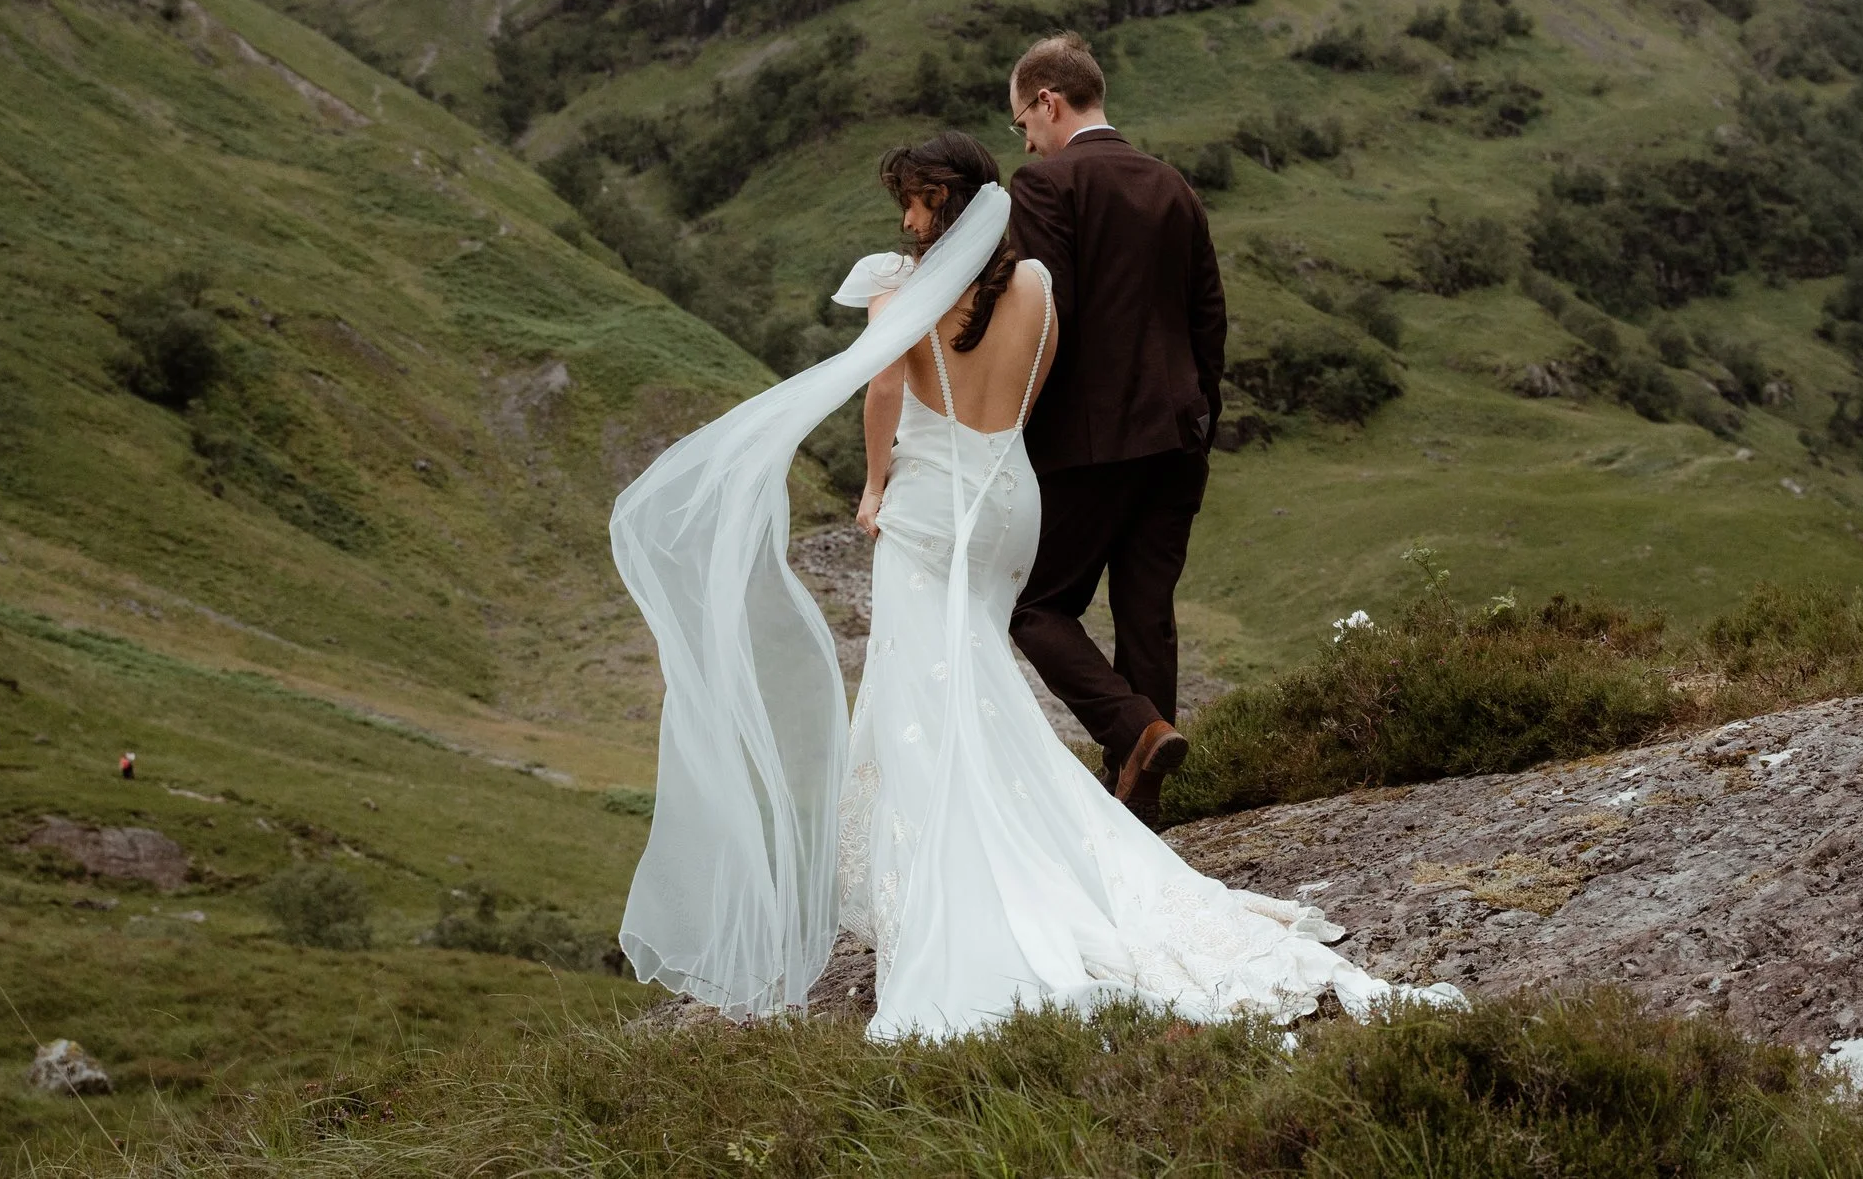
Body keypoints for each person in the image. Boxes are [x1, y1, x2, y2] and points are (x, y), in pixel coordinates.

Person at [608, 130, 1456, 1038]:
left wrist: (875, 484)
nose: (905, 215)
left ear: (950, 204)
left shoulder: (895, 289)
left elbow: (883, 395)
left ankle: (951, 872)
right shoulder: (1038, 288)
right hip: (1012, 500)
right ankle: (1042, 833)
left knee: (917, 684)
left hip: (933, 503)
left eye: (917, 199)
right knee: (974, 672)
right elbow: (1029, 396)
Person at [1004, 32, 1225, 826]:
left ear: (1048, 102)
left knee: (1032, 605)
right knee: (1145, 609)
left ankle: (1134, 732)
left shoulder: (1044, 185)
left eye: (1022, 122)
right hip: (1177, 437)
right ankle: (1144, 805)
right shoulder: (1173, 185)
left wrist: (1016, 430)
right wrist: (1201, 423)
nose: (1024, 140)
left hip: (1086, 442)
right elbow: (1209, 318)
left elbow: (1042, 317)